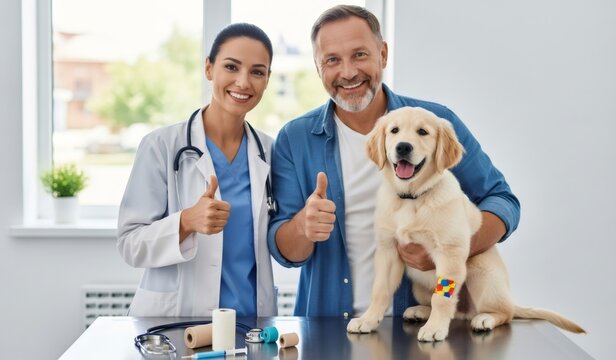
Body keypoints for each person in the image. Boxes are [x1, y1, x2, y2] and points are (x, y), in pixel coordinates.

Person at [267, 5, 520, 318]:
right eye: (332, 60)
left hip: (421, 329)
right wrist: (303, 227)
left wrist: (452, 248)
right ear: (319, 68)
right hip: (329, 330)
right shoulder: (295, 139)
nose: (347, 72)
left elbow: (502, 201)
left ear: (382, 54)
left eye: (360, 54)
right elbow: (285, 251)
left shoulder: (436, 125)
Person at [117, 23, 277, 317]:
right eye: (231, 67)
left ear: (267, 80)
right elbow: (130, 244)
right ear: (209, 69)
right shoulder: (161, 146)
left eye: (257, 71)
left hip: (248, 319)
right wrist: (185, 222)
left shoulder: (271, 152)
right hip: (175, 320)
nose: (243, 82)